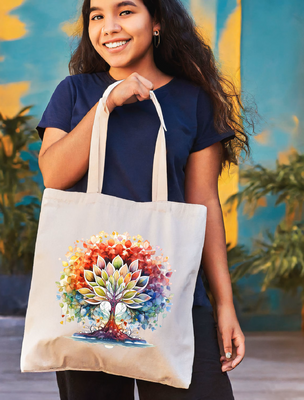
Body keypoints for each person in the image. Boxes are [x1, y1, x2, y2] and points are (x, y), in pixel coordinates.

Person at [36, 0, 255, 399]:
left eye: (125, 11)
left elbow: (204, 204)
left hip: (174, 294)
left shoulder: (192, 100)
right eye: (97, 16)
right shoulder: (75, 92)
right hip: (87, 296)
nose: (109, 27)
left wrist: (225, 305)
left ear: (156, 22)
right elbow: (53, 174)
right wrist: (108, 102)